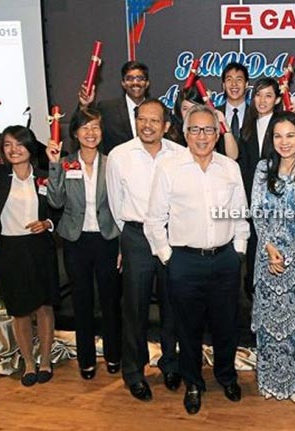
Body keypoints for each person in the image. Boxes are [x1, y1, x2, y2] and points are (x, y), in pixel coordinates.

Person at [144, 104, 249, 414]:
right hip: (184, 262)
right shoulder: (169, 168)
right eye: (195, 129)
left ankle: (226, 376)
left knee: (226, 325)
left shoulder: (230, 168)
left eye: (208, 130)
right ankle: (193, 382)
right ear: (185, 133)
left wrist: (238, 250)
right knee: (186, 328)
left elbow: (240, 214)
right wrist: (167, 257)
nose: (202, 136)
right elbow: (153, 219)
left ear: (217, 134)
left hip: (225, 260)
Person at [106, 99, 183, 401]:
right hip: (136, 236)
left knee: (172, 305)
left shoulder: (180, 154)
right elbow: (115, 204)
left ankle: (171, 363)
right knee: (135, 307)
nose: (147, 125)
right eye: (142, 119)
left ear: (166, 125)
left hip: (171, 234)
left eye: (154, 121)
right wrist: (127, 239)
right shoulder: (119, 156)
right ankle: (134, 372)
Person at [0, 126, 59, 386]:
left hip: (40, 248)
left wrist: (48, 223)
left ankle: (45, 361)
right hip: (9, 250)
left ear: (31, 147)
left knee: (44, 307)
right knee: (19, 310)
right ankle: (28, 364)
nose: (13, 149)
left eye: (19, 144)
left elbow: (61, 207)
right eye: (8, 144)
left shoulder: (44, 177)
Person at [250, 111, 295, 401]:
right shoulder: (262, 168)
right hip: (267, 258)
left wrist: (287, 255)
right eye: (278, 135)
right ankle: (273, 383)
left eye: (290, 135)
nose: (284, 142)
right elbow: (257, 211)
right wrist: (270, 249)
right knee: (271, 325)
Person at [46, 108, 122, 380]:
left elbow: (121, 206)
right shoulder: (65, 164)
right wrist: (54, 165)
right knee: (82, 302)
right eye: (84, 128)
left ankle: (114, 355)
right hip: (76, 242)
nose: (90, 133)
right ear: (75, 134)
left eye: (95, 128)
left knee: (111, 301)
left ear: (102, 132)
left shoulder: (113, 163)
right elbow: (54, 202)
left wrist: (123, 246)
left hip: (107, 240)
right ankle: (86, 361)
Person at [238, 77, 282, 299]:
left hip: (278, 205)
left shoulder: (283, 126)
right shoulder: (246, 126)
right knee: (255, 253)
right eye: (258, 95)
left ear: (277, 99)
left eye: (268, 95)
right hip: (250, 204)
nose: (262, 100)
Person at [78, 61, 150, 155]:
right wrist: (84, 105)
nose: (135, 83)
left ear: (147, 83)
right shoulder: (107, 109)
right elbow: (81, 126)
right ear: (123, 83)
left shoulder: (157, 110)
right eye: (129, 79)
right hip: (116, 167)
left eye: (140, 78)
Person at [167, 84, 239, 159]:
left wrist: (225, 127)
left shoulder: (211, 130)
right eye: (185, 109)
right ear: (179, 110)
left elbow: (233, 156)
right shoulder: (172, 133)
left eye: (194, 108)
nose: (190, 112)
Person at [217, 62, 249, 141]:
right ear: (224, 85)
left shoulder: (256, 115)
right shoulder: (215, 114)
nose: (234, 84)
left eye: (239, 79)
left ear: (246, 84)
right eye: (229, 79)